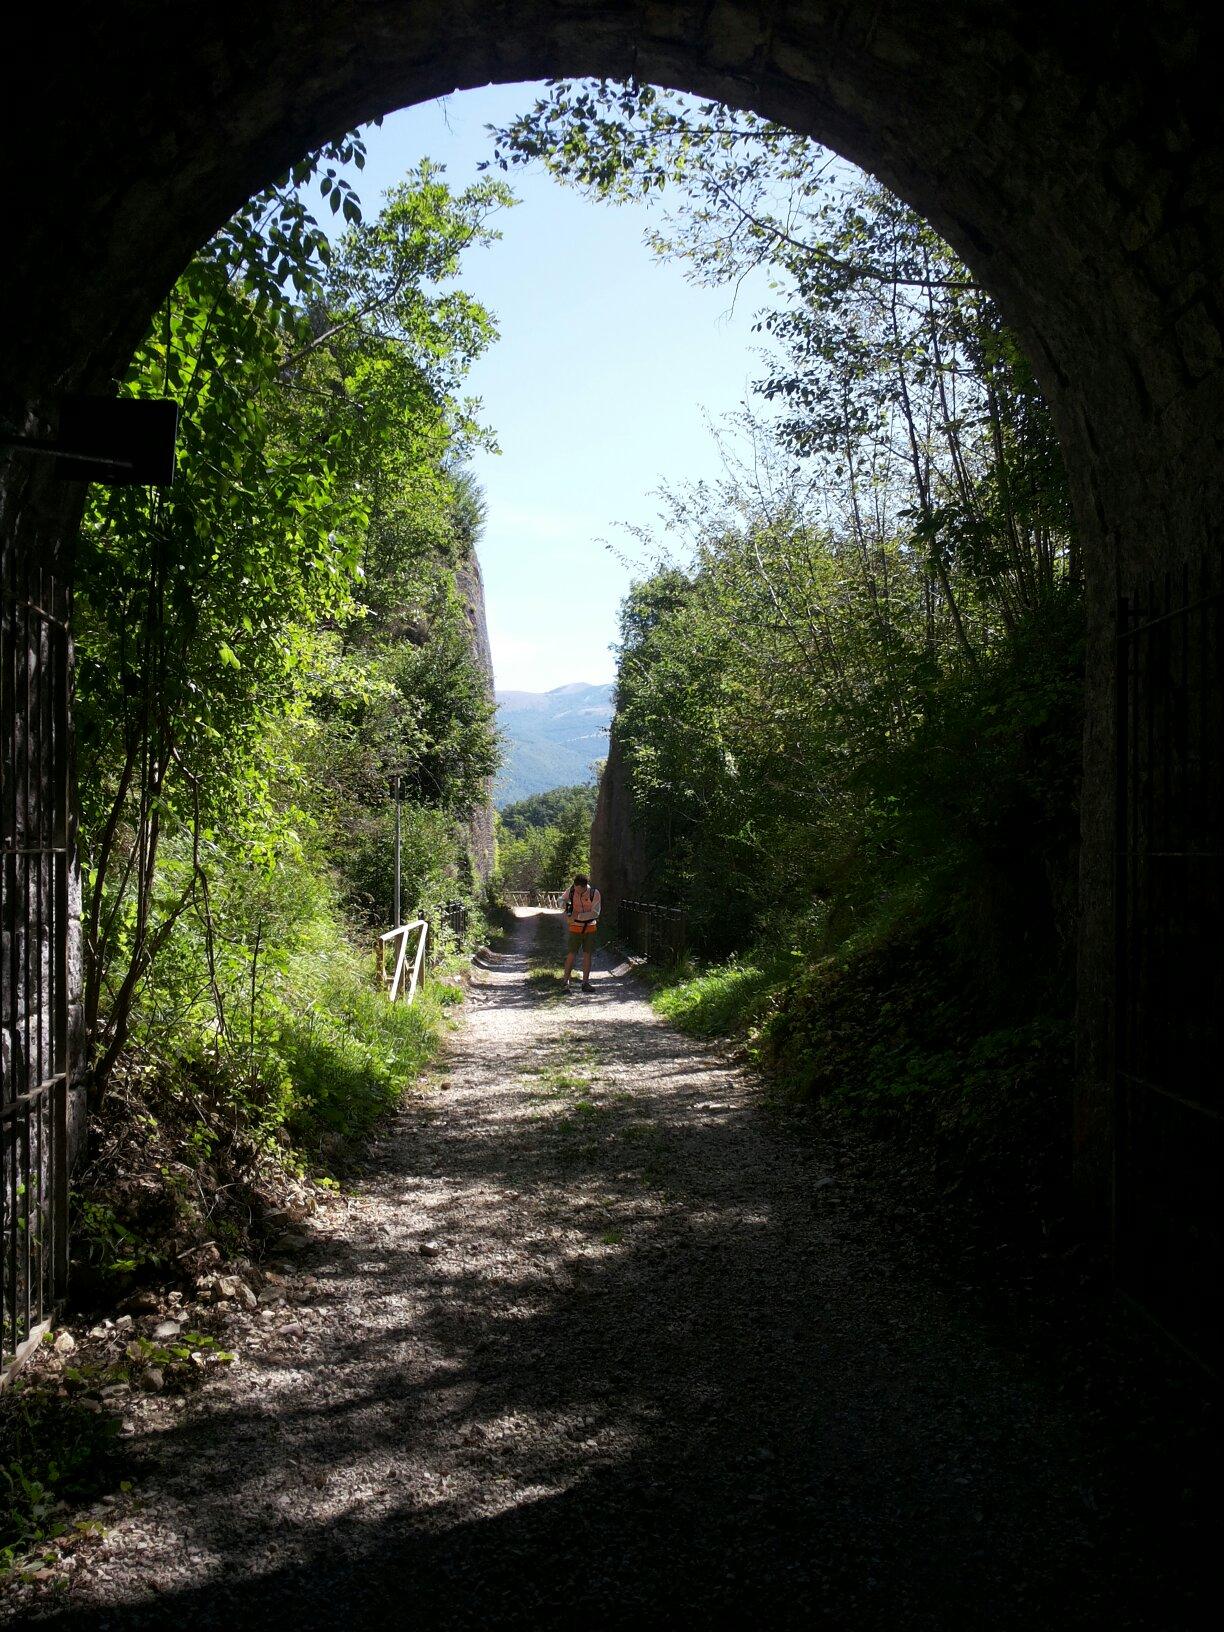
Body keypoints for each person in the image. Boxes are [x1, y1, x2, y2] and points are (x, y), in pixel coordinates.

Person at [561, 872, 601, 993]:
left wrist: (577, 915)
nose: (577, 892)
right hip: (575, 928)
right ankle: (565, 982)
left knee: (587, 955)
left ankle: (585, 983)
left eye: (579, 891)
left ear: (585, 886)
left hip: (590, 927)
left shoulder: (595, 893)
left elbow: (595, 913)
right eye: (576, 889)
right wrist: (565, 906)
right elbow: (561, 899)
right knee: (571, 954)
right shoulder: (572, 890)